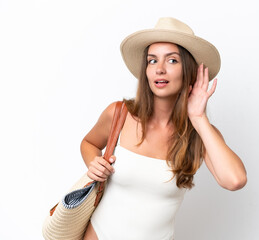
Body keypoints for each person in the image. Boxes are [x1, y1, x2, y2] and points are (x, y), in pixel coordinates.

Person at [81, 17, 247, 240]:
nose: (159, 69)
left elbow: (234, 180)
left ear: (188, 71)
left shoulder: (199, 133)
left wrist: (198, 117)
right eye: (152, 61)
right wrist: (94, 162)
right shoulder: (120, 114)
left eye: (172, 61)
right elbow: (89, 143)